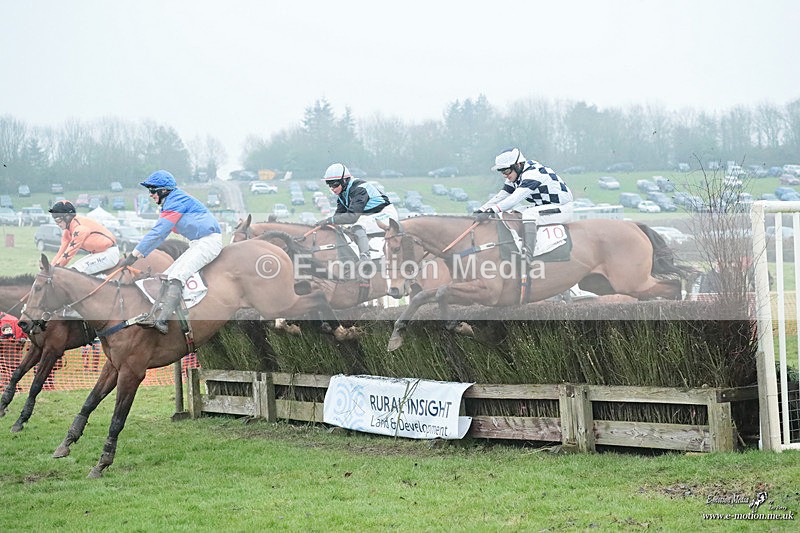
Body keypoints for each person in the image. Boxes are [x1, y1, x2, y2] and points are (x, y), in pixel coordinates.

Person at [476, 148, 592, 299]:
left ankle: (527, 254)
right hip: (546, 208)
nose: (505, 175)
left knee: (528, 214)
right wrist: (481, 209)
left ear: (518, 165)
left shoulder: (533, 173)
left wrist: (493, 210)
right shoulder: (517, 175)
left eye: (506, 171)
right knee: (515, 213)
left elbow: (514, 199)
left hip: (562, 209)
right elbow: (502, 196)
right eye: (502, 172)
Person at [122, 170, 222, 334]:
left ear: (164, 190)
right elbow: (161, 235)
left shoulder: (175, 201)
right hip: (198, 243)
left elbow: (159, 232)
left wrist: (134, 255)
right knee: (167, 276)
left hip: (209, 242)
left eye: (153, 190)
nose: (150, 195)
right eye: (149, 191)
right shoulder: (171, 202)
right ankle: (155, 313)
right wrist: (138, 254)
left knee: (177, 276)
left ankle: (163, 321)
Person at [317, 163, 399, 262]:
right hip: (371, 215)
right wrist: (325, 224)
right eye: (329, 185)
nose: (332, 188)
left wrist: (328, 220)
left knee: (358, 225)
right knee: (344, 228)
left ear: (344, 180)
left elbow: (352, 217)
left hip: (385, 213)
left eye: (335, 184)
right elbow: (338, 217)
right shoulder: (342, 195)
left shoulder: (360, 189)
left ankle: (365, 258)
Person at [48, 200, 120, 274]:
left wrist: (53, 270)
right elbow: (62, 252)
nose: (57, 224)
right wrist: (50, 266)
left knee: (74, 273)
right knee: (70, 270)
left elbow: (69, 253)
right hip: (99, 253)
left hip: (109, 253)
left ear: (67, 216)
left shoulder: (79, 228)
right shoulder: (67, 232)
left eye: (58, 220)